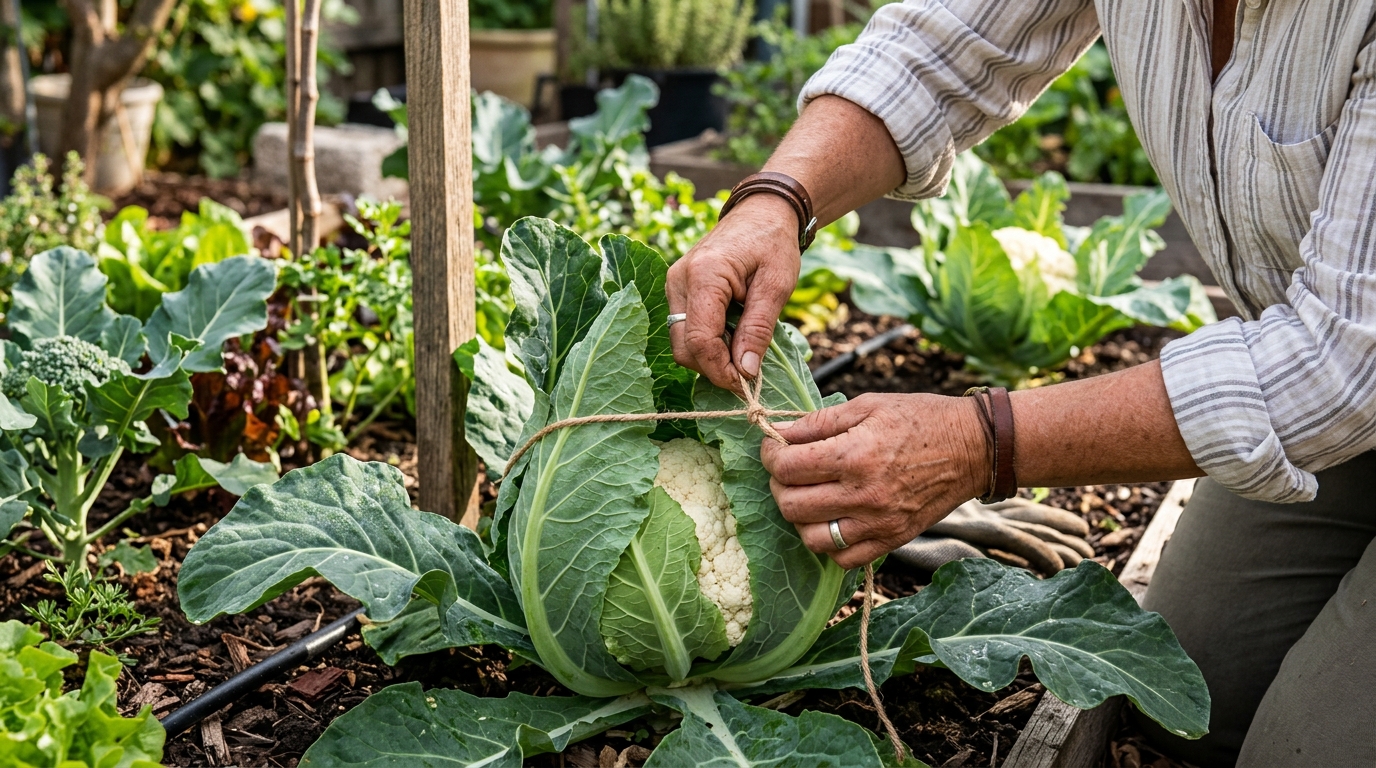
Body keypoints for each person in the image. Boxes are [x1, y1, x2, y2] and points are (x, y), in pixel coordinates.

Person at [664, 0, 1376, 764]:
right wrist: (779, 198)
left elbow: (1337, 365)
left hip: (1339, 370)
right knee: (1184, 693)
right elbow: (940, 49)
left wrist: (981, 443)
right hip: (1333, 403)